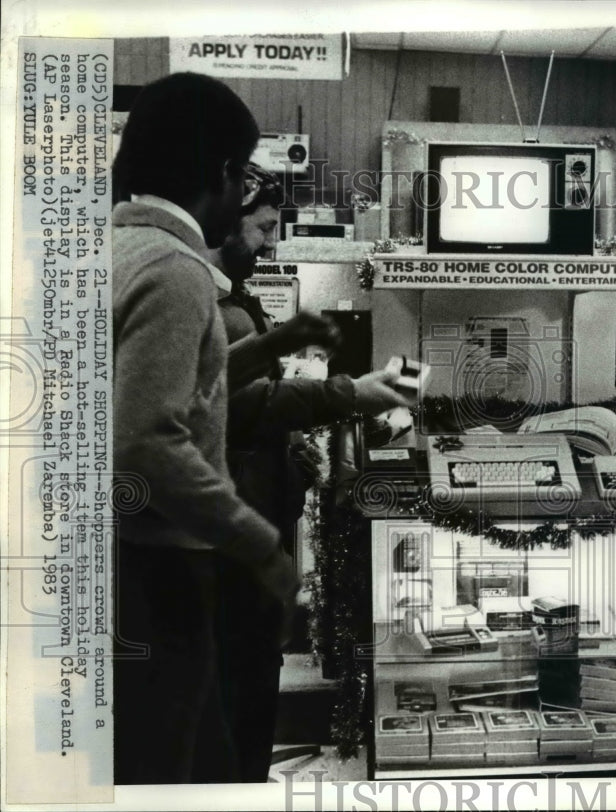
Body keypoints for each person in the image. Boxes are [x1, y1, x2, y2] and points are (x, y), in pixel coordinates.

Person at [111, 72, 294, 783]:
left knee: (196, 763)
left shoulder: (115, 252)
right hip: (162, 571)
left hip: (121, 566)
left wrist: (271, 347)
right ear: (221, 172)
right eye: (244, 174)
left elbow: (182, 389)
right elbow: (146, 440)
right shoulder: (176, 269)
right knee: (175, 767)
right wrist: (259, 542)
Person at [206, 163, 410, 782]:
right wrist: (349, 394)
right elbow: (246, 407)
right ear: (224, 220)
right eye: (264, 227)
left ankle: (243, 777)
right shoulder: (214, 306)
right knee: (242, 683)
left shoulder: (231, 301)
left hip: (254, 522)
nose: (270, 243)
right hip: (241, 535)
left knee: (250, 679)